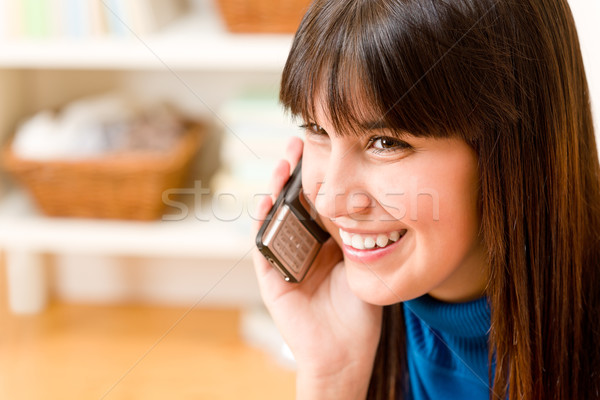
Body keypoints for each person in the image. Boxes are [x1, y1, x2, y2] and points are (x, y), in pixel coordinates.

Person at [251, 0, 600, 398]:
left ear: (513, 151)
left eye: (386, 142)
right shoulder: (359, 318)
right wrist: (332, 376)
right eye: (316, 128)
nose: (329, 202)